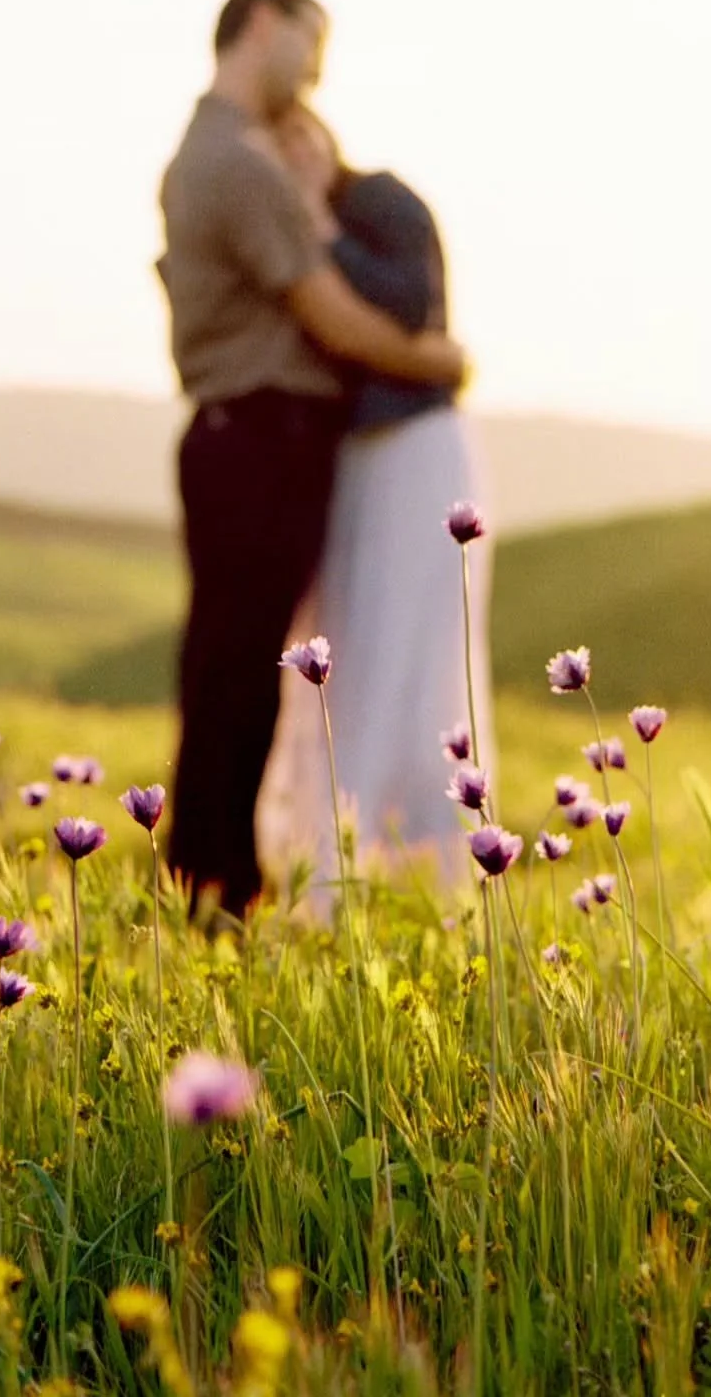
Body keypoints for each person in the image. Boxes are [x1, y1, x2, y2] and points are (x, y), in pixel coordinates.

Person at [153, 0, 470, 932]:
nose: (318, 67)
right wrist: (438, 361)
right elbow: (327, 312)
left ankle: (213, 882)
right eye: (310, 40)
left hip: (248, 440)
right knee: (239, 671)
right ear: (260, 26)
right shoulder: (238, 163)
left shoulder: (214, 154)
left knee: (233, 666)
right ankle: (217, 890)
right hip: (260, 440)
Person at [254, 103, 498, 920]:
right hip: (348, 463)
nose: (294, 154)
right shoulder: (276, 233)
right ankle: (335, 861)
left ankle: (444, 869)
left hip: (416, 451)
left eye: (302, 136)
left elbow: (413, 304)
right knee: (350, 651)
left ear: (326, 137)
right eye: (277, 145)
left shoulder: (380, 203)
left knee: (418, 653)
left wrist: (324, 226)